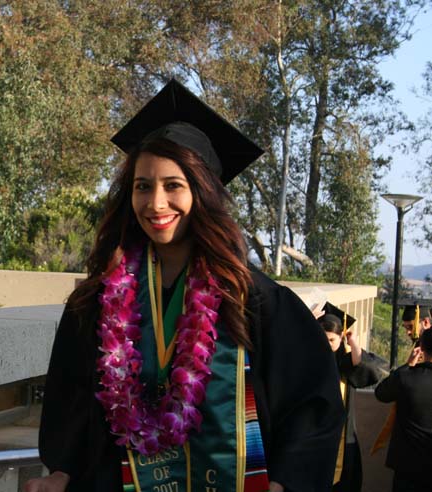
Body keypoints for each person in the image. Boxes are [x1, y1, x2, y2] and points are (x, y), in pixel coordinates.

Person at [26, 79, 343, 492]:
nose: (156, 204)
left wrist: (286, 483)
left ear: (205, 191)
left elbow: (310, 406)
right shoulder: (99, 301)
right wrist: (61, 473)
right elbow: (72, 401)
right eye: (143, 186)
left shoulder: (255, 300)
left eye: (173, 186)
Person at [318, 303, 384, 492]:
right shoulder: (312, 359)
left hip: (342, 437)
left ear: (340, 338)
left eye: (331, 340)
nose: (326, 344)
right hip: (316, 435)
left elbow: (369, 369)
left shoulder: (345, 362)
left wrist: (353, 342)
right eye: (323, 339)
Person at [374, 328, 432, 492]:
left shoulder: (407, 377)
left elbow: (381, 394)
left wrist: (408, 365)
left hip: (408, 466)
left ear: (422, 349)